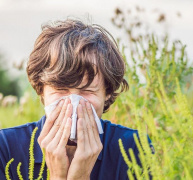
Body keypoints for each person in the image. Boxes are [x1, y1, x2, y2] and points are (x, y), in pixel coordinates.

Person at [0, 19, 154, 180]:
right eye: (60, 90)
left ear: (107, 93)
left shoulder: (134, 148)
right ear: (41, 91)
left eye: (87, 91)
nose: (73, 104)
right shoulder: (5, 148)